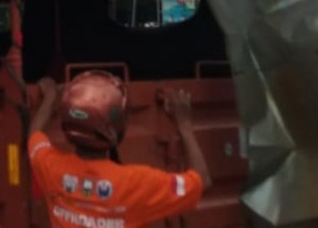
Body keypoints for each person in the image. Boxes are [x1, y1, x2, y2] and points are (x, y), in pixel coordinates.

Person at [28, 71, 211, 227]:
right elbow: (202, 181)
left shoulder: (52, 168)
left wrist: (49, 98)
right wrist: (184, 125)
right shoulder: (135, 183)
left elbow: (34, 136)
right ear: (116, 128)